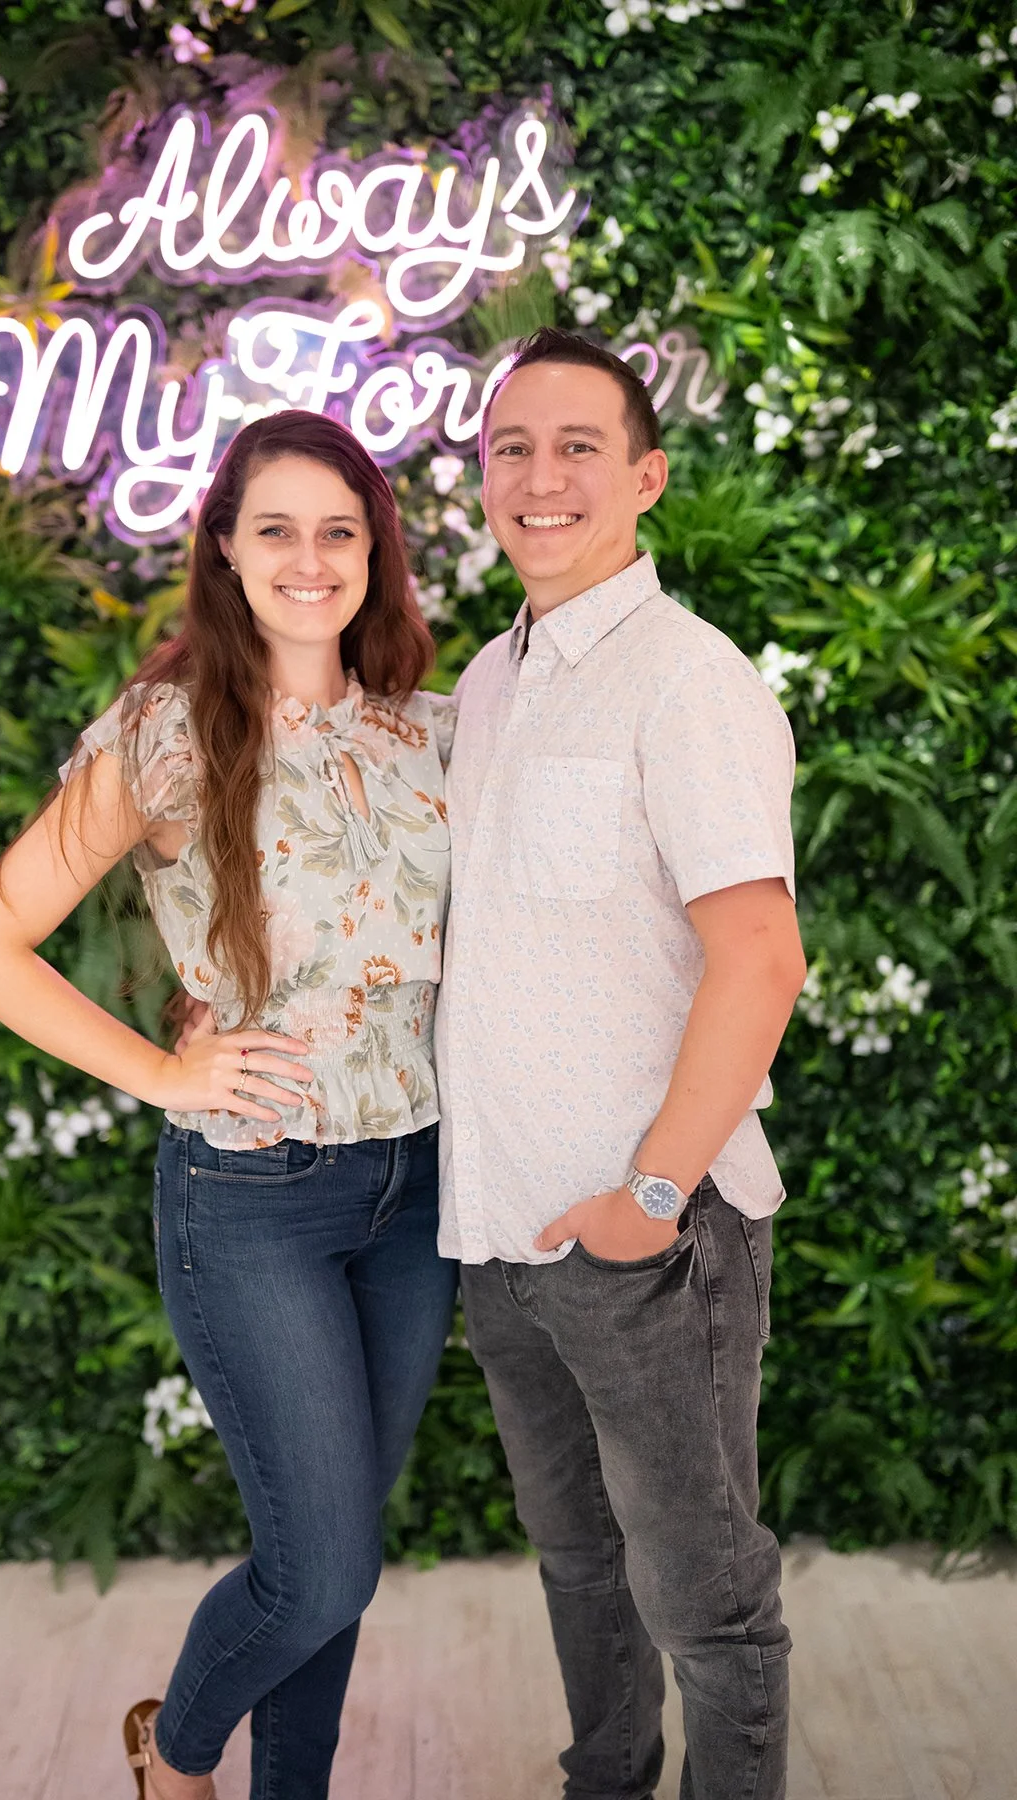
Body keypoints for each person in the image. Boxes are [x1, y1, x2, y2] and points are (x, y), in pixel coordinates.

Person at [0, 410, 458, 1800]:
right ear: (224, 547)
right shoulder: (169, 731)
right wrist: (166, 1069)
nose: (309, 557)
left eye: (339, 529)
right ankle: (174, 1758)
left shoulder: (431, 731)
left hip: (418, 1194)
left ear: (375, 553)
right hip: (255, 1196)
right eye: (274, 527)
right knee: (325, 1562)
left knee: (332, 1564)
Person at [435, 326, 806, 1800]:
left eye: (578, 446)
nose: (541, 476)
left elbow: (762, 961)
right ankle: (604, 1782)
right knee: (577, 1561)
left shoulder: (687, 681)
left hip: (652, 1235)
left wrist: (648, 1197)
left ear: (645, 477)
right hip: (505, 1231)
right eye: (511, 448)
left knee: (705, 1596)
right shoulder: (486, 680)